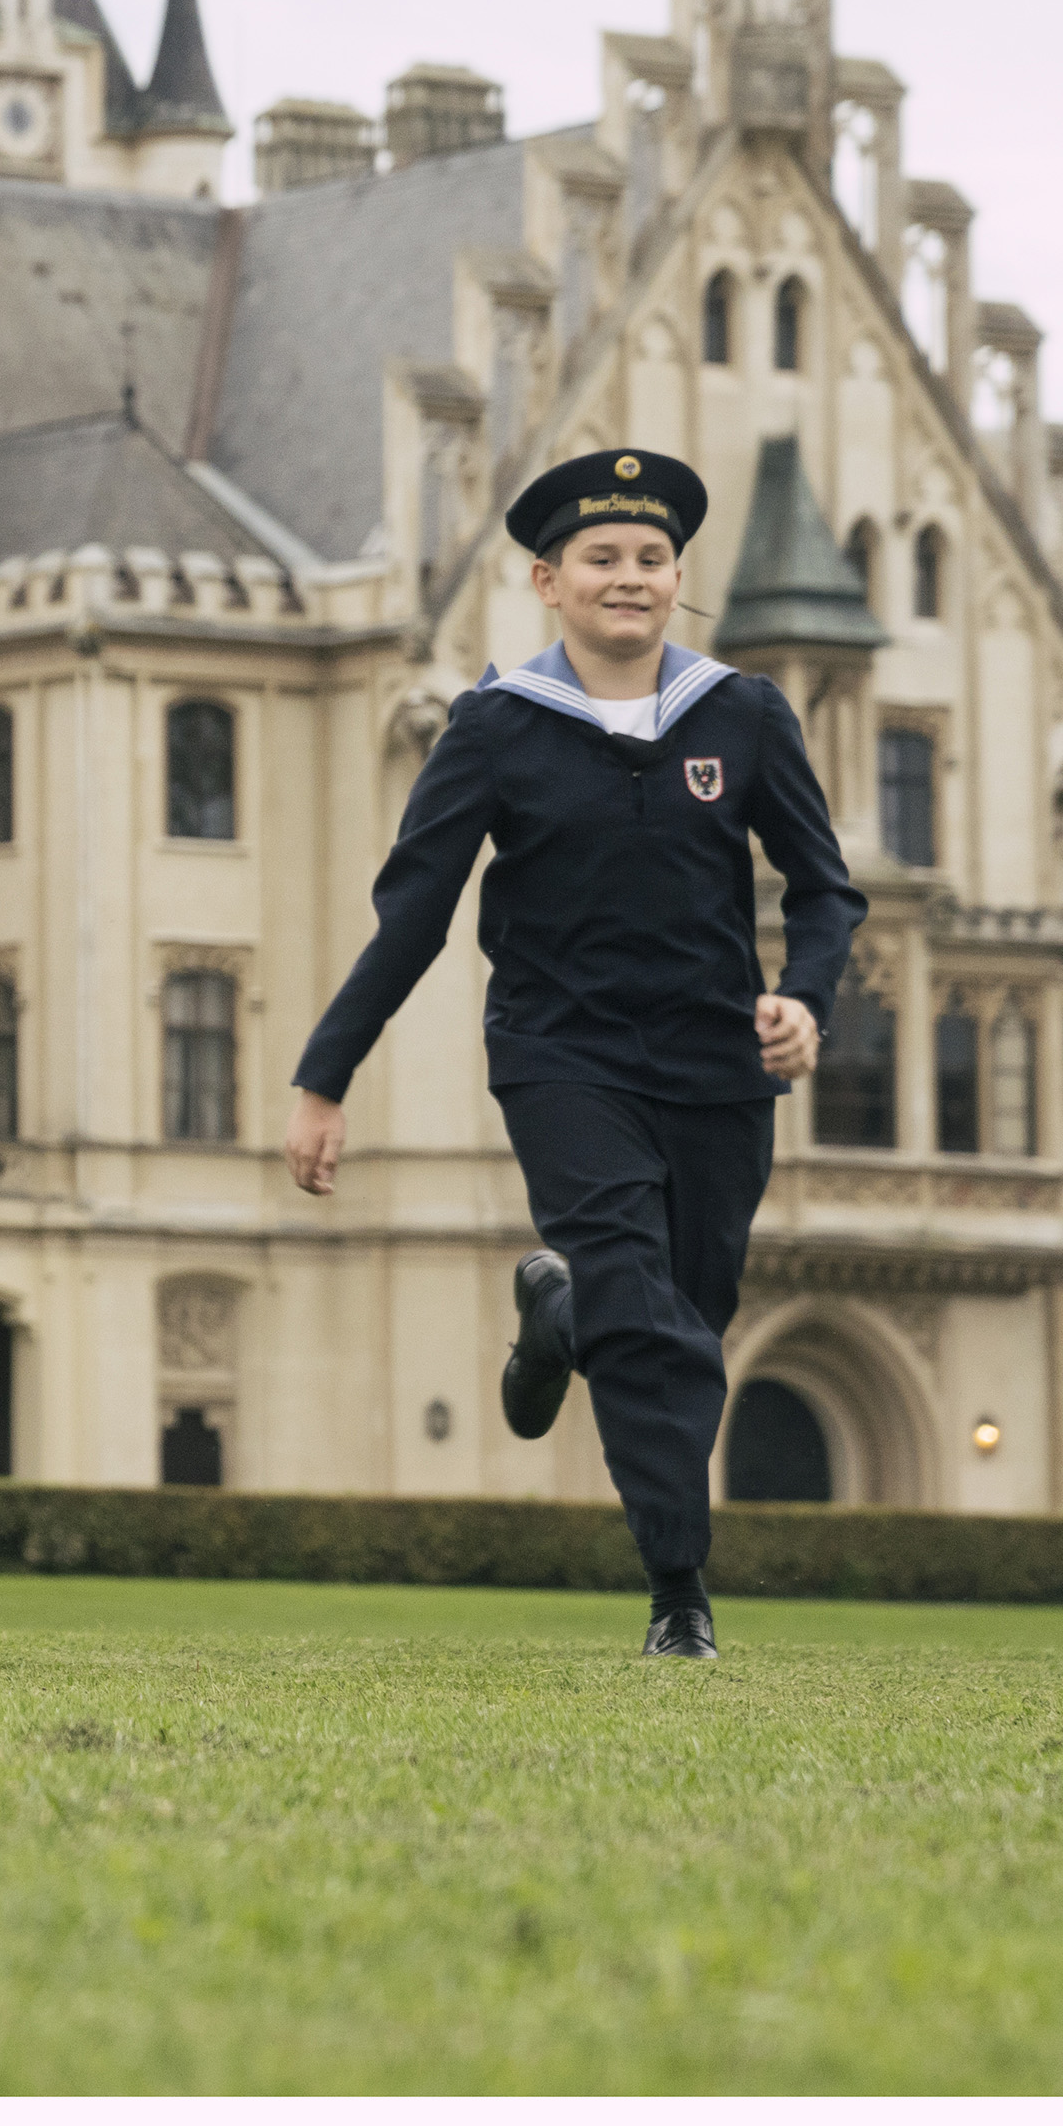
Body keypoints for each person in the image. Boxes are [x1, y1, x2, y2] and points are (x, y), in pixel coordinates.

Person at [281, 447, 860, 1662]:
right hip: (562, 1057)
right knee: (648, 1322)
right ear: (548, 580)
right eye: (601, 559)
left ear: (676, 576)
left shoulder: (741, 714)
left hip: (716, 1065)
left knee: (689, 1316)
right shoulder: (494, 727)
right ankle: (679, 1594)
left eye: (651, 559)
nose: (629, 578)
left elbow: (824, 889)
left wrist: (803, 1000)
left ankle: (557, 1312)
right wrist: (324, 1078)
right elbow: (413, 918)